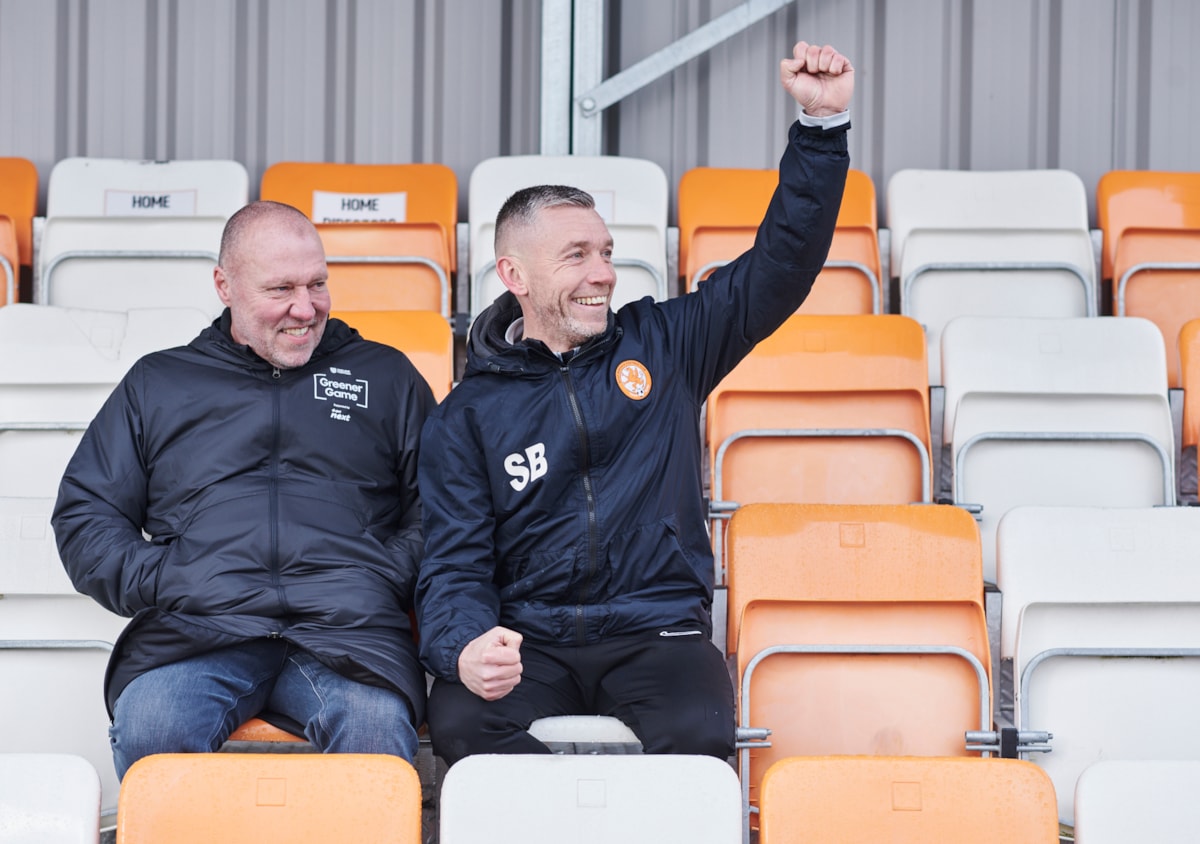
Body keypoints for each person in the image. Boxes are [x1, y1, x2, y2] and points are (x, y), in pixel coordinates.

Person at [415, 41, 854, 764]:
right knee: (463, 724)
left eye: (607, 251)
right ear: (513, 273)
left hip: (659, 633)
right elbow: (454, 563)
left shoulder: (667, 344)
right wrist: (464, 647)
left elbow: (782, 264)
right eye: (577, 256)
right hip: (533, 637)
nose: (604, 274)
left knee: (699, 732)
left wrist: (820, 131)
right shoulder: (466, 414)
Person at [51, 200, 435, 779]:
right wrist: (170, 577)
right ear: (224, 285)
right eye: (280, 289)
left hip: (348, 637)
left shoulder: (385, 375)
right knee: (154, 728)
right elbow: (87, 515)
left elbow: (445, 507)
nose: (305, 309)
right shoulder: (160, 382)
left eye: (317, 284)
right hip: (199, 633)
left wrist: (380, 571)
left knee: (376, 734)